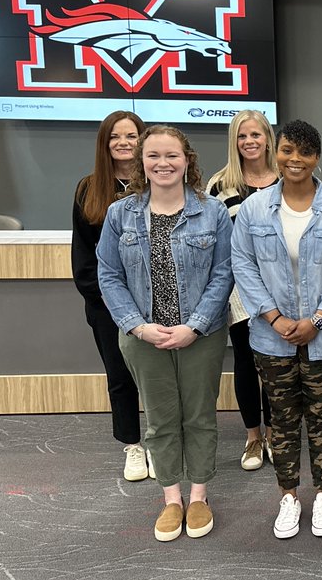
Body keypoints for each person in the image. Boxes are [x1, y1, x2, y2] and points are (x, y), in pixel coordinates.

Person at [96, 125, 234, 541]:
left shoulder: (211, 212)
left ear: (187, 160)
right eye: (153, 155)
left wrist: (194, 326)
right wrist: (137, 325)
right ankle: (171, 498)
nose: (163, 163)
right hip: (143, 338)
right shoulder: (121, 213)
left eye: (172, 155)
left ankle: (199, 496)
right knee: (159, 419)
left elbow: (224, 274)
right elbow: (108, 273)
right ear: (142, 162)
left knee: (199, 416)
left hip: (201, 335)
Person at [232, 120, 322, 539]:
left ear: (316, 158)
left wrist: (318, 319)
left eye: (304, 153)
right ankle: (288, 496)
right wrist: (274, 317)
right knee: (283, 420)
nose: (295, 160)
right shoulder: (254, 209)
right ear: (277, 152)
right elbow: (243, 266)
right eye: (287, 150)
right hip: (271, 336)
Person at [71, 110, 149, 482]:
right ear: (105, 143)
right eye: (115, 136)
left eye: (131, 136)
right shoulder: (89, 188)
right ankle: (133, 446)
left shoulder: (156, 182)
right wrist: (108, 301)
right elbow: (84, 255)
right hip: (106, 305)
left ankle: (160, 440)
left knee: (157, 377)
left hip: (155, 302)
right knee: (120, 377)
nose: (123, 142)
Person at [206, 109, 279, 472]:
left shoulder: (287, 177)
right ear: (234, 142)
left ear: (268, 137)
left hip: (284, 288)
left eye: (256, 134)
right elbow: (216, 241)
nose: (250, 142)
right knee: (247, 364)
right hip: (240, 290)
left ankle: (278, 433)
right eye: (242, 136)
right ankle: (254, 436)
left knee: (279, 363)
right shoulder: (220, 185)